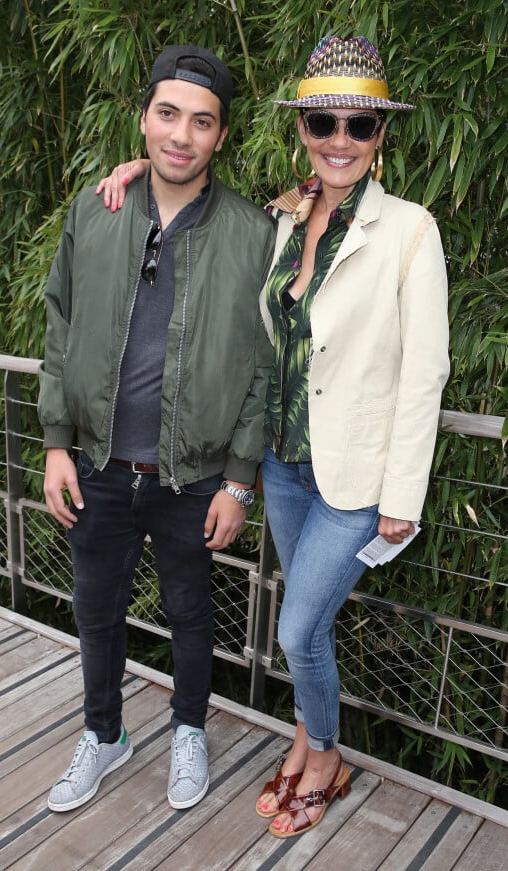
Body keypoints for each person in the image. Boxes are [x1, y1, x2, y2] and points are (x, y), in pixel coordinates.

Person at [99, 34, 449, 838]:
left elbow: (425, 373)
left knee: (296, 627)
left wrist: (403, 495)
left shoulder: (409, 230)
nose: (339, 141)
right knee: (311, 625)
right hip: (284, 468)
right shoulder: (281, 220)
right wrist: (129, 174)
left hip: (355, 478)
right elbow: (195, 210)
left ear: (381, 136)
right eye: (322, 122)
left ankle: (323, 752)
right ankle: (305, 735)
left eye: (359, 127)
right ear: (301, 130)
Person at [37, 44, 275, 814]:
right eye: (167, 114)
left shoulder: (253, 233)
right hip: (100, 464)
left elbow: (264, 365)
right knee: (94, 608)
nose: (182, 135)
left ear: (222, 136)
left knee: (190, 612)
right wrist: (54, 445)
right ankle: (104, 733)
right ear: (143, 120)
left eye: (201, 121)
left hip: (194, 474)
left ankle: (188, 728)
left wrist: (240, 478)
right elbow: (59, 327)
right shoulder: (94, 209)